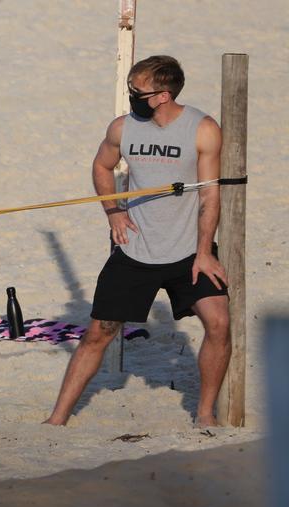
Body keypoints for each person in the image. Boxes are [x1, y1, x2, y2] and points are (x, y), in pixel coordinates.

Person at [45, 56, 230, 428]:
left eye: (136, 91)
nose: (131, 96)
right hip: (135, 250)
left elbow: (210, 196)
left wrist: (205, 251)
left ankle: (206, 413)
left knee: (219, 323)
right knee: (99, 333)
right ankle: (57, 418)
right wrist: (113, 211)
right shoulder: (122, 128)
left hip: (187, 253)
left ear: (163, 95)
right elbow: (102, 166)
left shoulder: (203, 129)